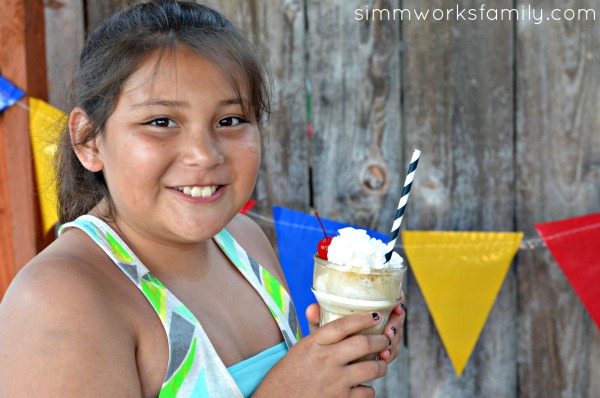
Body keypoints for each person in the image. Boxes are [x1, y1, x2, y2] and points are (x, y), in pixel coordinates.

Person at [0, 1, 406, 396]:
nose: (204, 154)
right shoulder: (59, 298)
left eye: (230, 120)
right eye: (161, 122)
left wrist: (334, 357)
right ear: (88, 140)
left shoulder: (245, 243)